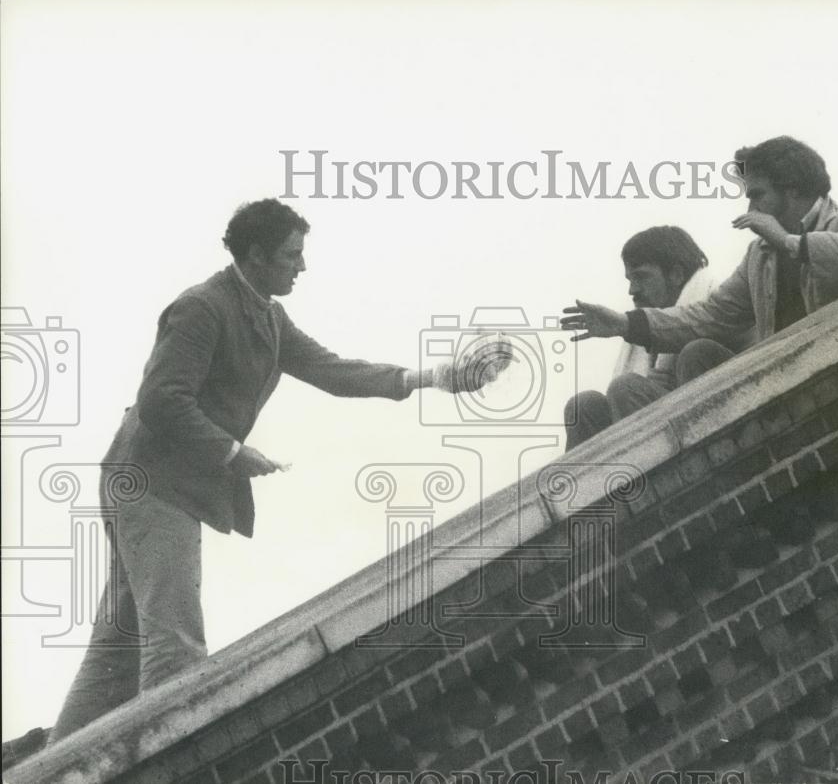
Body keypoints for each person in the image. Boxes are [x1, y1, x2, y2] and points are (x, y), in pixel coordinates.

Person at [48, 198, 502, 743]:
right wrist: (233, 454)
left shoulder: (266, 314)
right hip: (149, 484)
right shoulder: (202, 307)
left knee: (116, 655)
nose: (301, 267)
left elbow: (332, 371)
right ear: (257, 254)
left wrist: (438, 376)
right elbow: (162, 400)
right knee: (176, 651)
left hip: (162, 486)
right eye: (292, 256)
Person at [561, 136, 838, 383]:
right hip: (787, 379)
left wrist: (788, 241)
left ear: (792, 190)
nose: (750, 210)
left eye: (757, 195)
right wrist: (625, 324)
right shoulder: (759, 256)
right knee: (701, 353)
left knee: (694, 355)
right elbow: (711, 315)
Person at [564, 225, 720, 450]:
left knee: (626, 388)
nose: (632, 290)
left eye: (641, 277)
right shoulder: (644, 325)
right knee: (582, 406)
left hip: (703, 429)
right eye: (629, 280)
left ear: (676, 274)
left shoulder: (714, 300)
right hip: (669, 422)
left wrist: (655, 385)